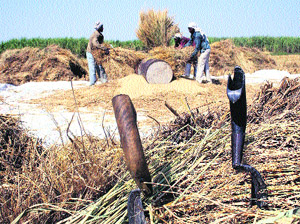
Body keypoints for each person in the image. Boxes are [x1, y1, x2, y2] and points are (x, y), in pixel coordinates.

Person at [86, 21, 109, 86]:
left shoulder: (100, 35)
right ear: (99, 28)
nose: (103, 28)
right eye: (102, 27)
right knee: (92, 68)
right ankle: (92, 83)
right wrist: (105, 48)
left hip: (96, 53)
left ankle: (104, 80)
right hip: (91, 53)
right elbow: (96, 44)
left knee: (100, 66)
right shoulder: (96, 35)